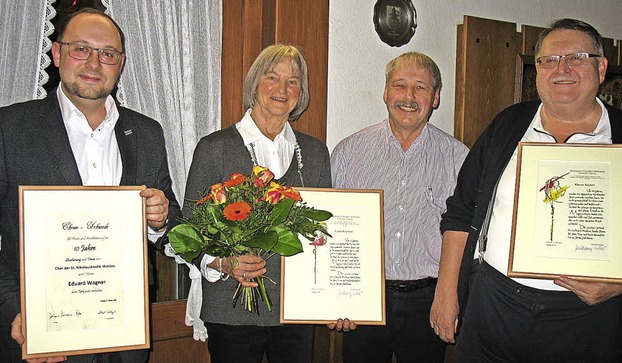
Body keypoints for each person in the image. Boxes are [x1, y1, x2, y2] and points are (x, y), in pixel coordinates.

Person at [430, 18, 622, 362]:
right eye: (549, 60)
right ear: (537, 69)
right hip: (494, 304)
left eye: (576, 57)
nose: (562, 69)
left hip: (586, 317)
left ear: (601, 68)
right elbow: (461, 209)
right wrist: (446, 292)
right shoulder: (509, 123)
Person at [0, 8, 180, 363]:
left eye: (107, 54)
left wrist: (160, 218)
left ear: (121, 62)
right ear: (57, 53)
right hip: (41, 333)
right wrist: (13, 307)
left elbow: (172, 222)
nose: (94, 63)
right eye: (81, 48)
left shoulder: (147, 133)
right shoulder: (10, 128)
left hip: (125, 335)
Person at [183, 44, 331, 363]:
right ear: (254, 85)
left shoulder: (316, 153)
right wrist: (223, 262)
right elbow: (187, 230)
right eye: (272, 77)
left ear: (301, 92)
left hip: (296, 312)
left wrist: (336, 297)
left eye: (293, 81)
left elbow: (324, 234)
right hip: (231, 311)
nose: (282, 89)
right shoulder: (214, 148)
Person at [331, 52, 469, 362]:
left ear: (435, 97)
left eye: (420, 87)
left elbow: (466, 236)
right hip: (364, 298)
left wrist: (450, 298)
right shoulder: (349, 152)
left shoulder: (459, 159)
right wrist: (335, 297)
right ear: (385, 92)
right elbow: (329, 232)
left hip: (431, 299)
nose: (408, 97)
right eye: (400, 85)